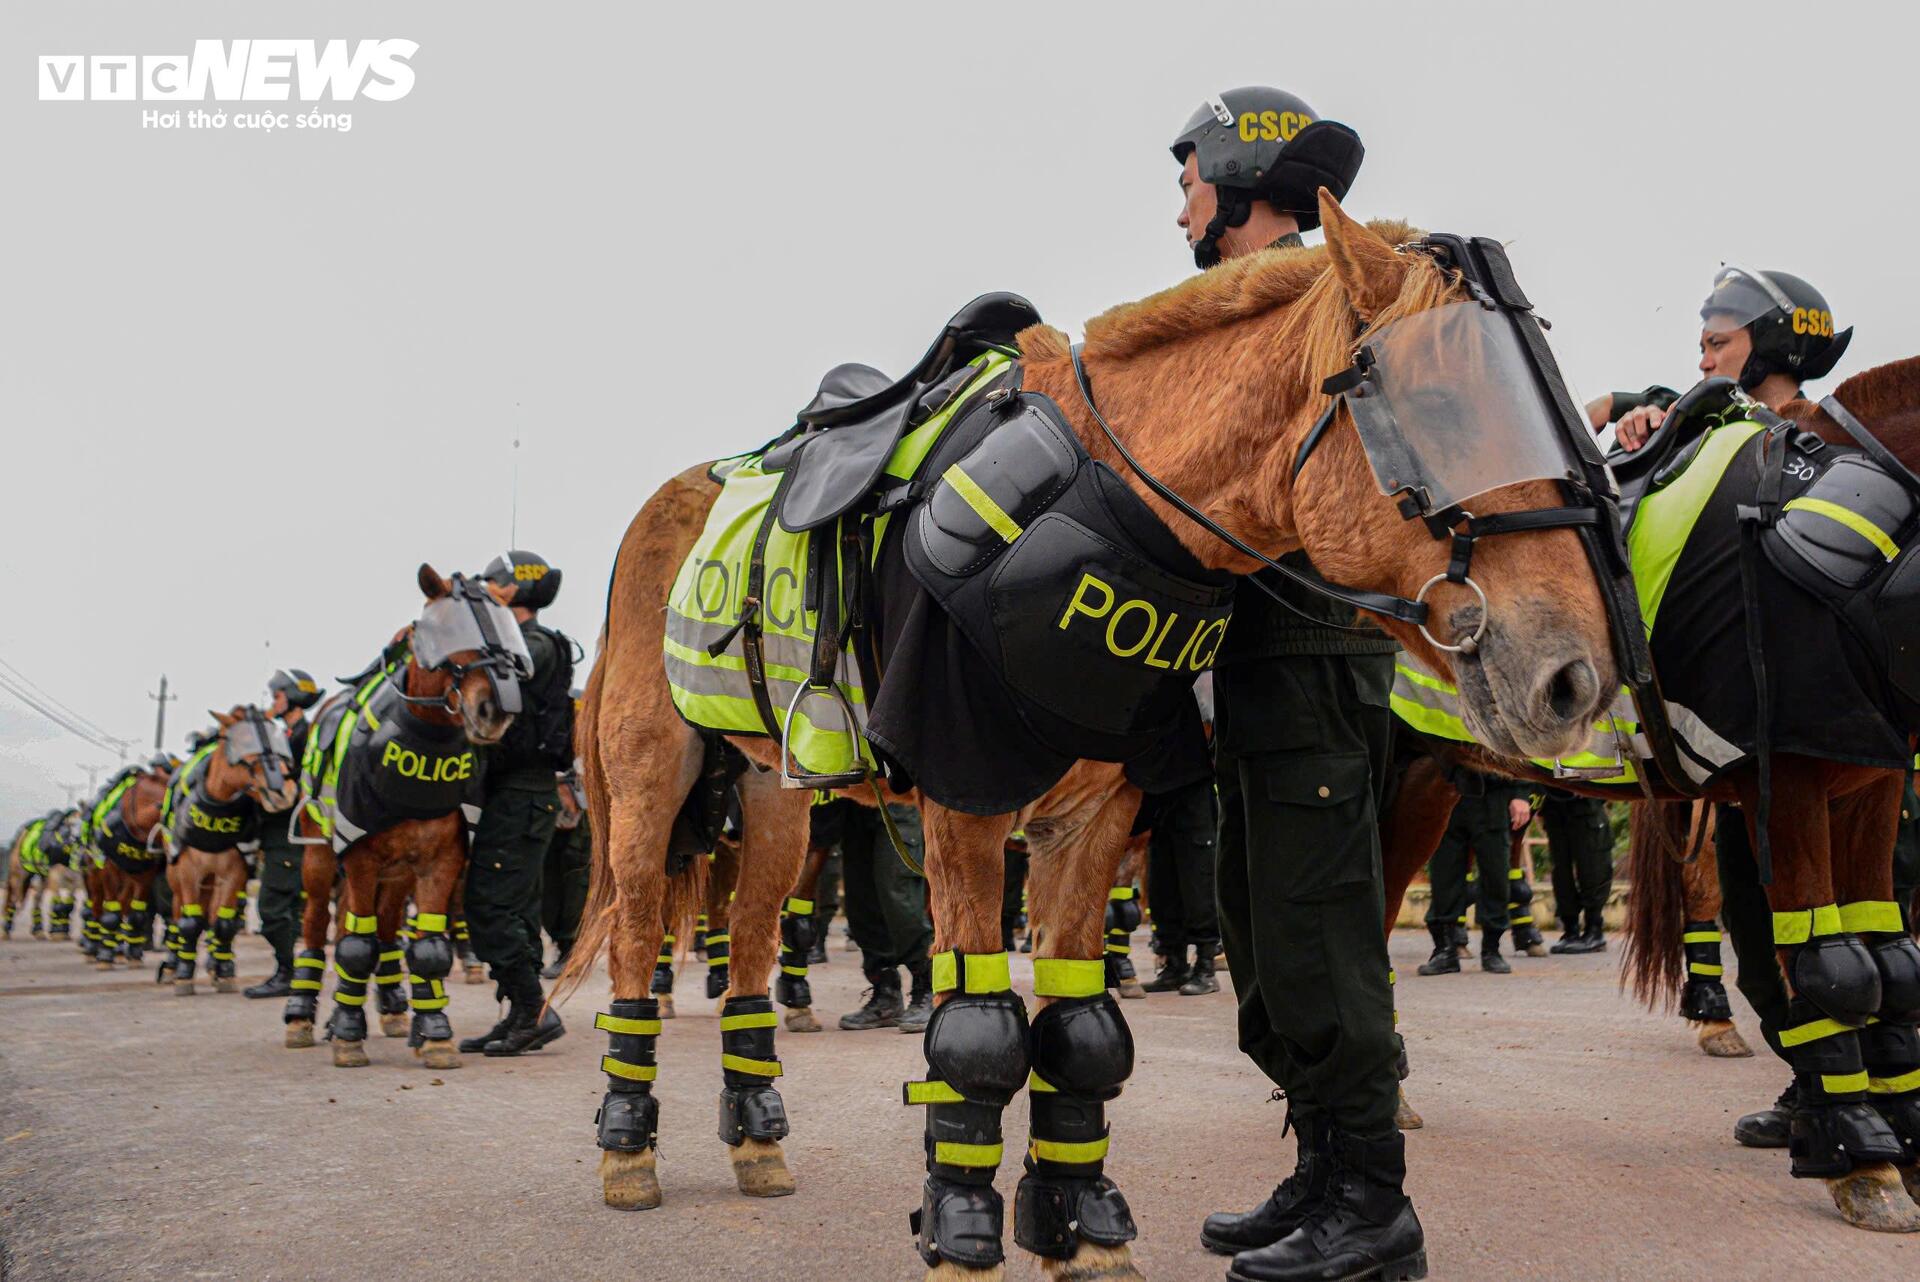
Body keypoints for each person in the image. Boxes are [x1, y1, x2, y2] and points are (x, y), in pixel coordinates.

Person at [1170, 87, 1426, 1282]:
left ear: (1232, 177)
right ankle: (1323, 1169)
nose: (1178, 209)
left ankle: (1372, 1206)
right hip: (1255, 672)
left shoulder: (1323, 300)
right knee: (1267, 942)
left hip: (1316, 660)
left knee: (1323, 943)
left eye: (1186, 183)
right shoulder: (1244, 311)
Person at [1589, 267, 1851, 1148]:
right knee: (1753, 919)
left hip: (1835, 725)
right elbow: (1631, 410)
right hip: (1749, 734)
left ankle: (1849, 1094)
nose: (1701, 355)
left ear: (1770, 345)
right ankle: (1813, 1081)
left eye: (1718, 341)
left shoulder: (1836, 447)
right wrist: (1644, 417)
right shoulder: (1704, 423)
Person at [458, 550, 575, 1057]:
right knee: (516, 908)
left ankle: (534, 1010)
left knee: (490, 905)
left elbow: (511, 675)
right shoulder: (520, 643)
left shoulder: (535, 646)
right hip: (513, 792)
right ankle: (520, 1014)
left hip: (524, 791)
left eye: (493, 584)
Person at [245, 669, 324, 998]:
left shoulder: (303, 735)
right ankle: (288, 971)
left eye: (276, 695)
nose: (272, 701)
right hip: (282, 835)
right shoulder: (286, 734)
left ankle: (287, 972)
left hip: (291, 835)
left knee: (273, 908)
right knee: (289, 909)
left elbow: (297, 782)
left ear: (290, 697)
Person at [827, 797, 935, 1033]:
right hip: (853, 797)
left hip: (897, 793)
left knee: (899, 894)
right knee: (860, 902)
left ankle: (926, 989)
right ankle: (885, 993)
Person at [1416, 771, 1532, 976]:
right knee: (1445, 875)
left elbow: (1517, 746)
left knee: (1496, 876)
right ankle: (1445, 950)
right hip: (1449, 794)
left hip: (1492, 796)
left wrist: (1521, 794)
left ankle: (1491, 950)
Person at [540, 690, 591, 980]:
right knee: (547, 878)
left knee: (576, 877)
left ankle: (571, 947)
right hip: (549, 803)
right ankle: (562, 942)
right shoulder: (547, 712)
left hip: (582, 809)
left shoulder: (585, 710)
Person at [1539, 790, 1613, 954]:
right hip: (1554, 805)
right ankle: (1570, 930)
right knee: (1561, 873)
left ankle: (1594, 931)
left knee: (1592, 868)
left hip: (1586, 806)